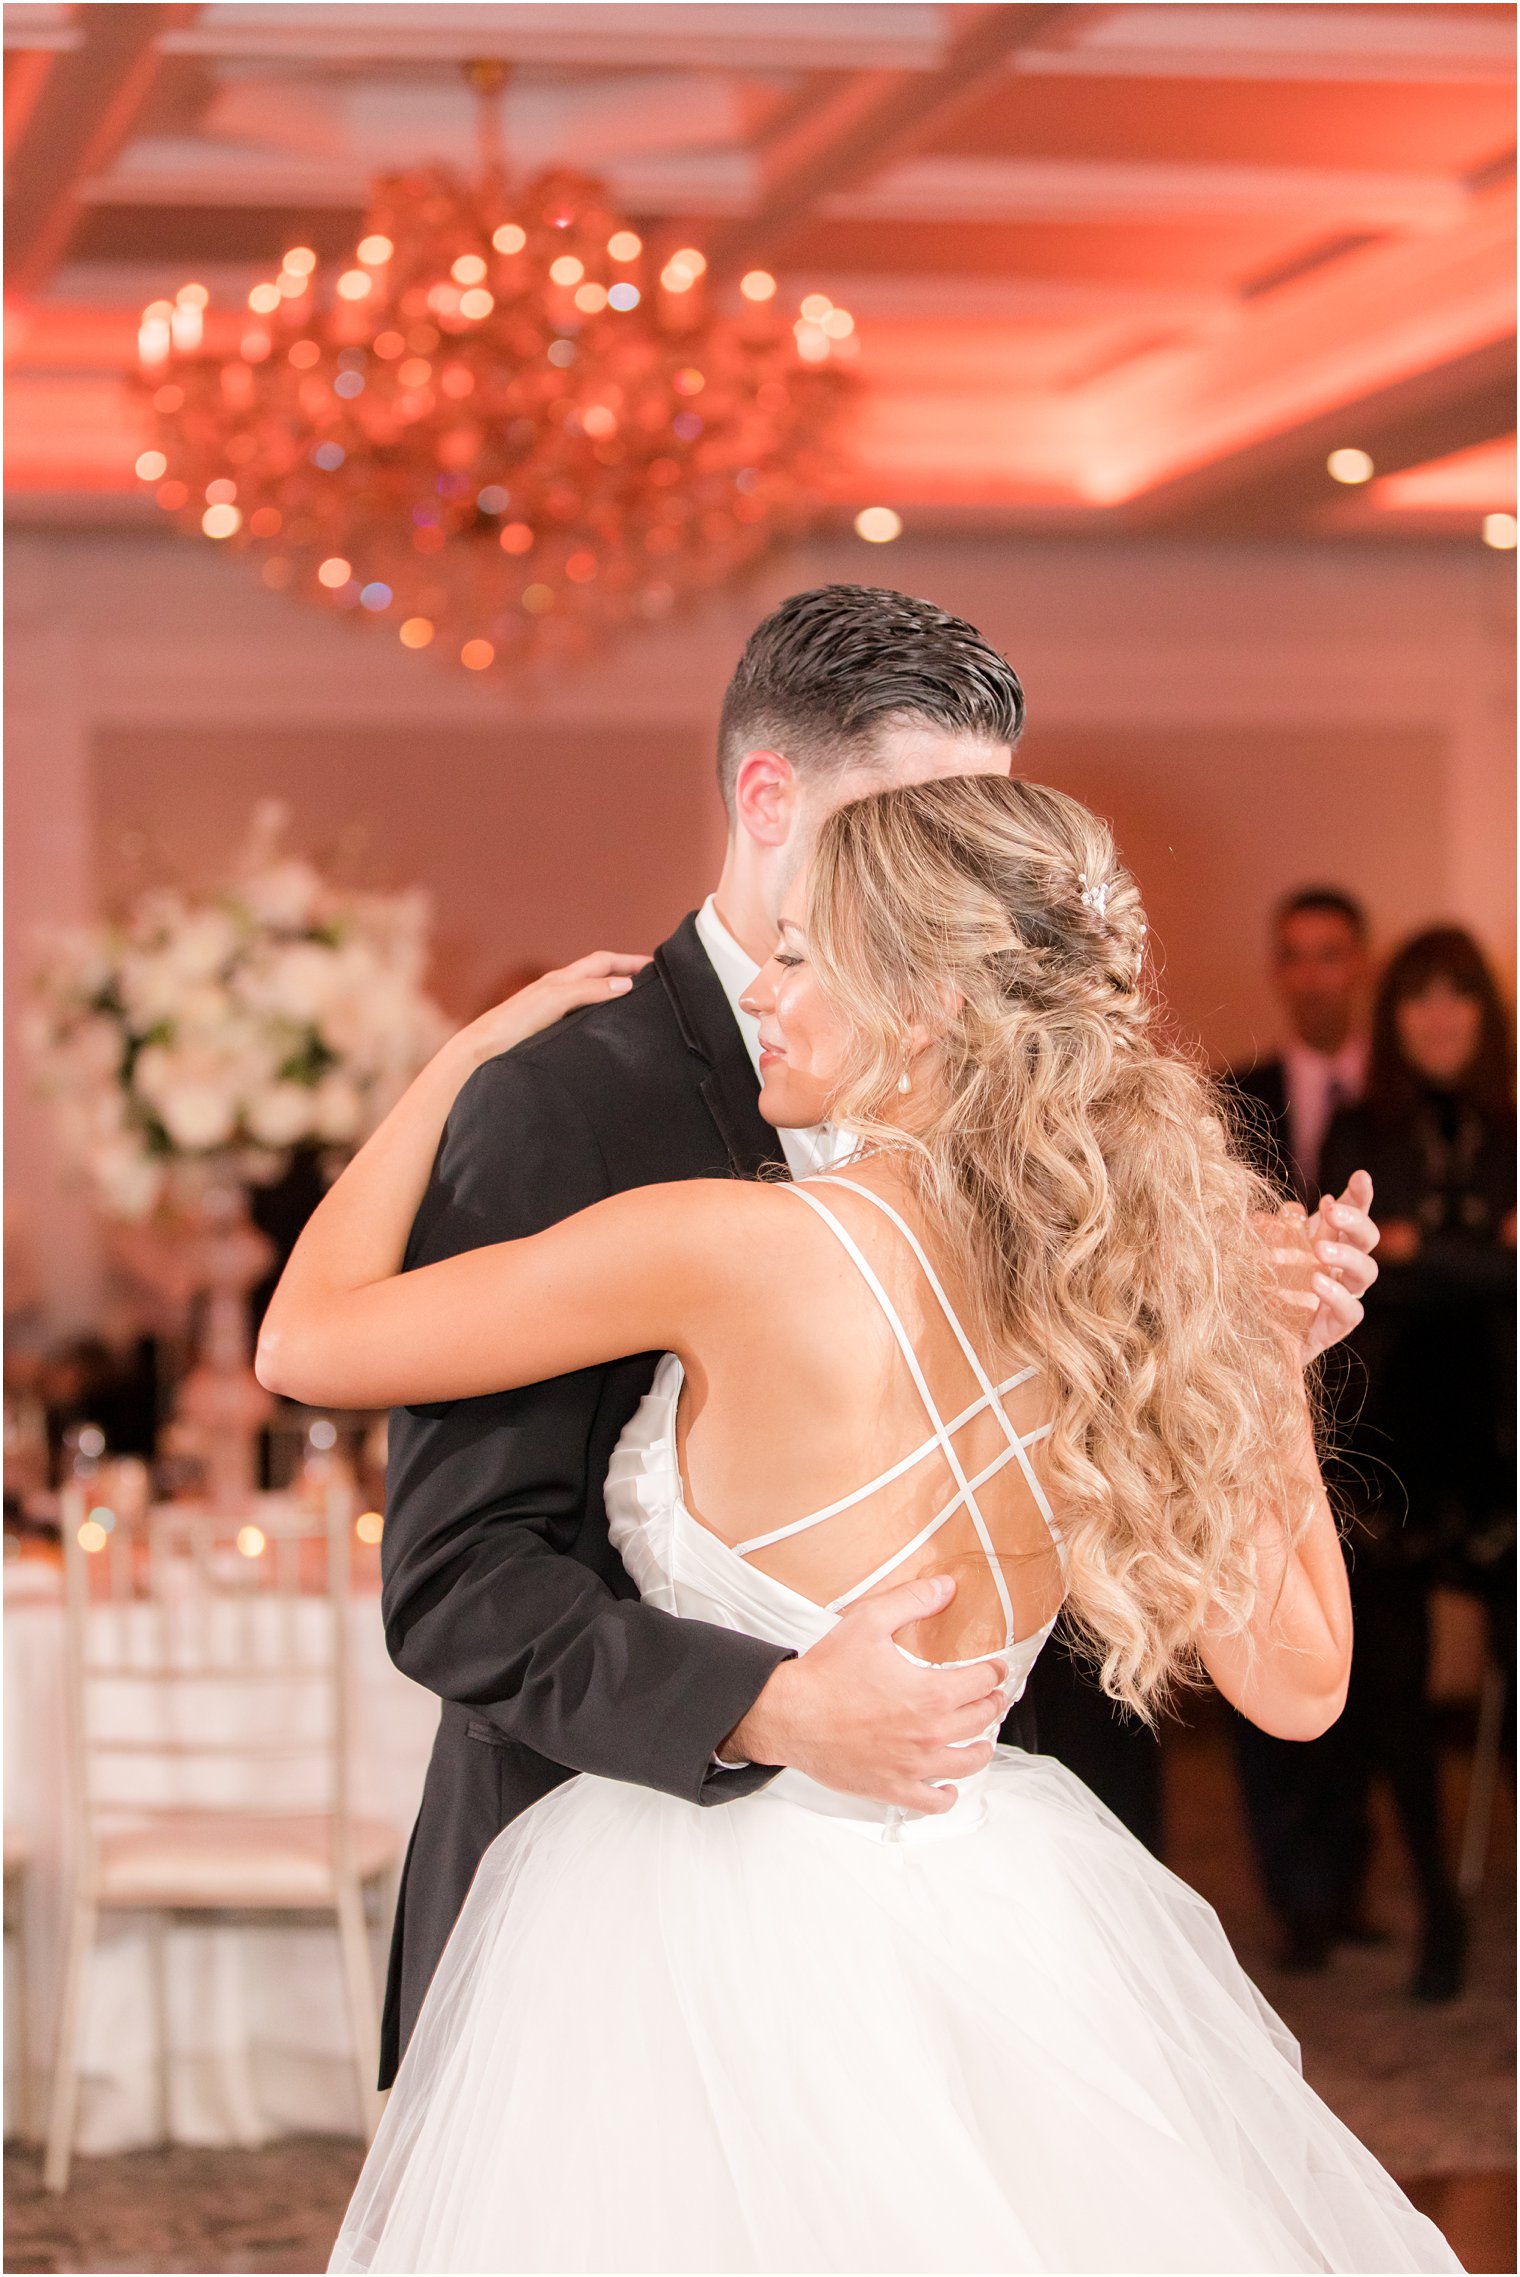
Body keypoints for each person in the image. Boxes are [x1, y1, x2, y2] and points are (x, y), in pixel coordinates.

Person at [257, 775, 1449, 2274]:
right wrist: (1266, 1368)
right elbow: (1303, 1683)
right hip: (1007, 1924)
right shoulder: (1117, 1303)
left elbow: (304, 1342)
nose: (768, 985)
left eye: (810, 952)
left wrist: (456, 1069)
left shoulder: (727, 1246)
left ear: (928, 1005)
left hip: (685, 1938)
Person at [363, 584, 1381, 2084]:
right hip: (620, 1929)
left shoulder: (1052, 1141)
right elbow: (460, 1577)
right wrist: (769, 1704)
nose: (965, 878)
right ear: (771, 798)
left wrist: (1244, 1348)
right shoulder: (563, 1100)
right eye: (919, 820)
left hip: (963, 1909)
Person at [1311, 926, 1516, 2000]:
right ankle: (1435, 1904)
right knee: (1386, 1692)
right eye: (1417, 999)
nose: (1437, 1017)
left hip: (1500, 1450)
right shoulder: (1359, 1122)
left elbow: (1424, 1272)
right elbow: (1350, 1277)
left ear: (1483, 1013)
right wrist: (1478, 1247)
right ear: (1392, 1016)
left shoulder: (1510, 1120)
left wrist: (1413, 1250)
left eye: (1457, 998)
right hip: (1386, 1447)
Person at [1228, 887, 1371, 1206]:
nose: (1311, 978)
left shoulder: (1399, 1085)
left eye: (1329, 956)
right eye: (1294, 958)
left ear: (1362, 964)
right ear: (1276, 970)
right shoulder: (1233, 1096)